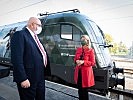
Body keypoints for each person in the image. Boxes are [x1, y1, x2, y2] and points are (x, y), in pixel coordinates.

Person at [11, 17, 50, 100]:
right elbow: (17, 59)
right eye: (39, 25)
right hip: (28, 78)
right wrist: (23, 78)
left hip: (39, 76)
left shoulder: (36, 37)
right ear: (32, 24)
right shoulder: (20, 35)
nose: (40, 28)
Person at [74, 35, 96, 100]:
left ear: (87, 41)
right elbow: (75, 59)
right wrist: (76, 61)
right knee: (79, 90)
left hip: (86, 74)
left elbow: (93, 63)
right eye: (82, 39)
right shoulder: (78, 49)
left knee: (85, 91)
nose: (82, 41)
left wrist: (83, 62)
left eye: (84, 39)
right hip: (78, 73)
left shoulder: (91, 50)